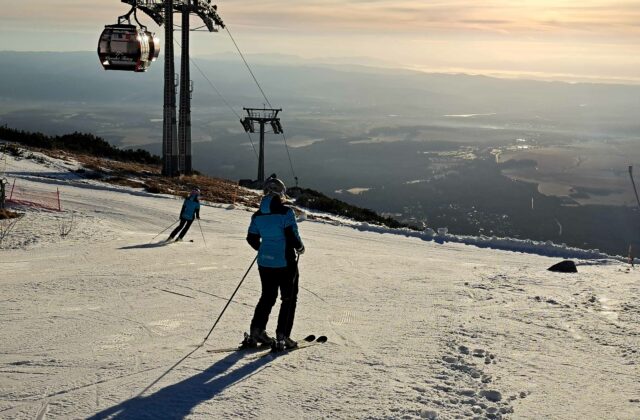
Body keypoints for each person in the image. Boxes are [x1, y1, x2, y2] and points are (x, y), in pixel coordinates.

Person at [244, 176, 305, 351]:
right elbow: (292, 236)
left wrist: (264, 249)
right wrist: (300, 248)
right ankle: (283, 336)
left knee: (267, 296)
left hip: (265, 263)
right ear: (281, 193)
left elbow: (251, 238)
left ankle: (257, 331)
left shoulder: (257, 215)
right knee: (288, 298)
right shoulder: (286, 212)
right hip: (285, 262)